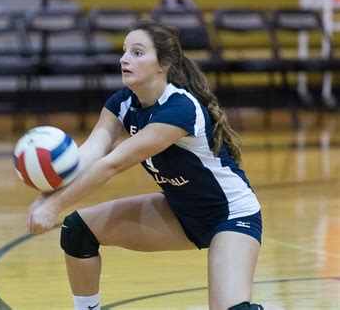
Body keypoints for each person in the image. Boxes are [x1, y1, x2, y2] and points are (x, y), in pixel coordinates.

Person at [26, 19, 283, 310]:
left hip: (230, 216)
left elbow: (113, 164)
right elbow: (90, 155)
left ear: (163, 64)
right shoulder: (122, 103)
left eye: (137, 53)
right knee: (78, 231)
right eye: (124, 51)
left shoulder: (179, 108)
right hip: (180, 212)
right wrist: (46, 193)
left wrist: (53, 207)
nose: (124, 59)